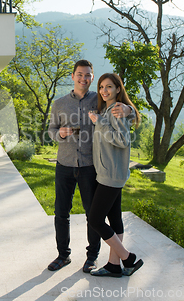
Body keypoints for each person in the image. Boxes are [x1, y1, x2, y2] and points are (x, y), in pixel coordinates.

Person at [47, 61, 131, 273]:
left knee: (92, 214)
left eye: (88, 75)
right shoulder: (59, 104)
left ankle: (91, 257)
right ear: (73, 76)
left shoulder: (100, 99)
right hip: (64, 165)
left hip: (90, 166)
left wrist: (129, 109)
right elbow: (51, 129)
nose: (83, 79)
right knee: (61, 213)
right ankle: (63, 255)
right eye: (80, 75)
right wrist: (60, 134)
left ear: (92, 78)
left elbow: (122, 107)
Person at [87, 72, 143, 277]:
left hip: (111, 175)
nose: (104, 91)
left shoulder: (115, 110)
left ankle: (128, 258)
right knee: (114, 219)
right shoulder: (114, 109)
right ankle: (113, 264)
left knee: (95, 220)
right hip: (111, 172)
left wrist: (99, 122)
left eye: (109, 87)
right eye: (101, 87)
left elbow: (122, 141)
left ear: (118, 89)